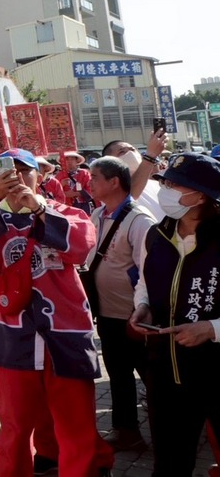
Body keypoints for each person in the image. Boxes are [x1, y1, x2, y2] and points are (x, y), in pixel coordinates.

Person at [0, 148, 111, 477]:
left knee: (76, 425)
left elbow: (82, 247)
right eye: (7, 172)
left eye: (24, 171)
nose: (17, 177)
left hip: (66, 332)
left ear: (38, 176)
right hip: (13, 336)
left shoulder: (63, 212)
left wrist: (38, 208)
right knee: (15, 427)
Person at [128, 152, 220, 476]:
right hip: (165, 371)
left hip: (215, 371)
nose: (165, 188)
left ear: (201, 196)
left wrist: (211, 329)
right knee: (169, 462)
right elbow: (144, 280)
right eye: (165, 181)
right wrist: (142, 306)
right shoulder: (156, 235)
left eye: (175, 184)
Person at [84, 156, 154, 451]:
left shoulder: (140, 221)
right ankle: (128, 431)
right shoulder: (97, 215)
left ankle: (174, 436)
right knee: (119, 376)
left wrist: (142, 311)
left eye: (95, 177)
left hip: (134, 317)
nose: (89, 183)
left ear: (114, 182)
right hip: (108, 315)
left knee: (153, 378)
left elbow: (149, 271)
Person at [103, 134, 166, 221]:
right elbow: (129, 197)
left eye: (133, 150)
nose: (131, 153)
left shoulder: (158, 185)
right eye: (122, 152)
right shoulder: (109, 189)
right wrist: (150, 156)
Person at [59, 150, 94, 215]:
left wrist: (75, 193)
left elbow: (91, 189)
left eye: (72, 159)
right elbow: (53, 194)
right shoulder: (59, 175)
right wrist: (61, 185)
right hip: (66, 207)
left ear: (76, 161)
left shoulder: (84, 173)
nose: (69, 161)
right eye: (67, 159)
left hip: (83, 205)